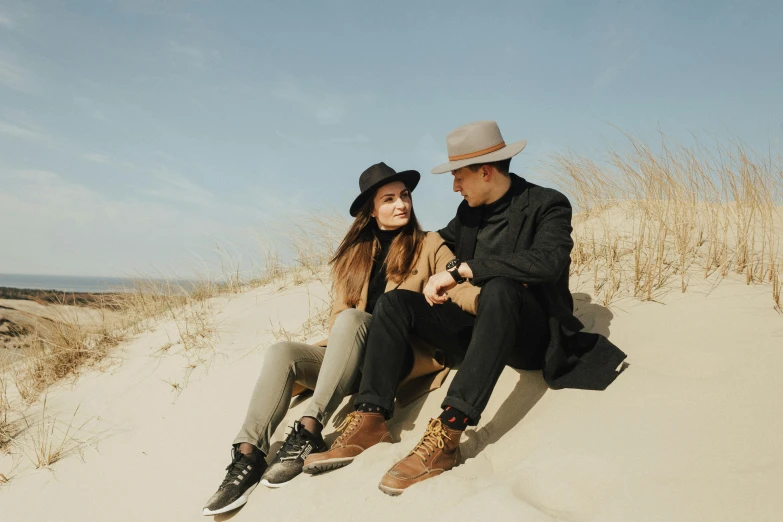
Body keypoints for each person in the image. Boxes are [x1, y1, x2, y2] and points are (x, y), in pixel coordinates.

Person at [303, 120, 626, 495]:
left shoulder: (546, 204)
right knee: (395, 303)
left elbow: (549, 261)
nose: (455, 185)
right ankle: (371, 417)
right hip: (477, 331)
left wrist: (467, 269)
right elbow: (433, 243)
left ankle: (448, 432)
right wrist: (385, 241)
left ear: (485, 171)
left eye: (459, 176)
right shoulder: (468, 213)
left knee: (501, 289)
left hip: (530, 336)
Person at [202, 162, 479, 515]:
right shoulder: (353, 258)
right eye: (389, 199)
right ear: (372, 211)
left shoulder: (429, 245)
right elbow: (339, 322)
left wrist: (483, 302)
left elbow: (459, 288)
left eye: (405, 196)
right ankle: (248, 455)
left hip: (400, 358)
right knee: (282, 351)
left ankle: (310, 428)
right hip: (351, 359)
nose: (401, 205)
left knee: (351, 318)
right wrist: (337, 358)